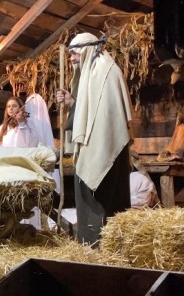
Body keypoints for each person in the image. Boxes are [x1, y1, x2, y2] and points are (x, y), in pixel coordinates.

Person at [56, 32, 134, 246]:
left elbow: (107, 119)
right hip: (93, 147)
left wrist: (98, 147)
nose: (71, 59)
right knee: (89, 205)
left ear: (87, 49)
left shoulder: (106, 72)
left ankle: (105, 248)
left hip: (106, 149)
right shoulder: (92, 72)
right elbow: (89, 113)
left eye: (74, 54)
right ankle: (91, 247)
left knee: (105, 203)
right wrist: (73, 103)